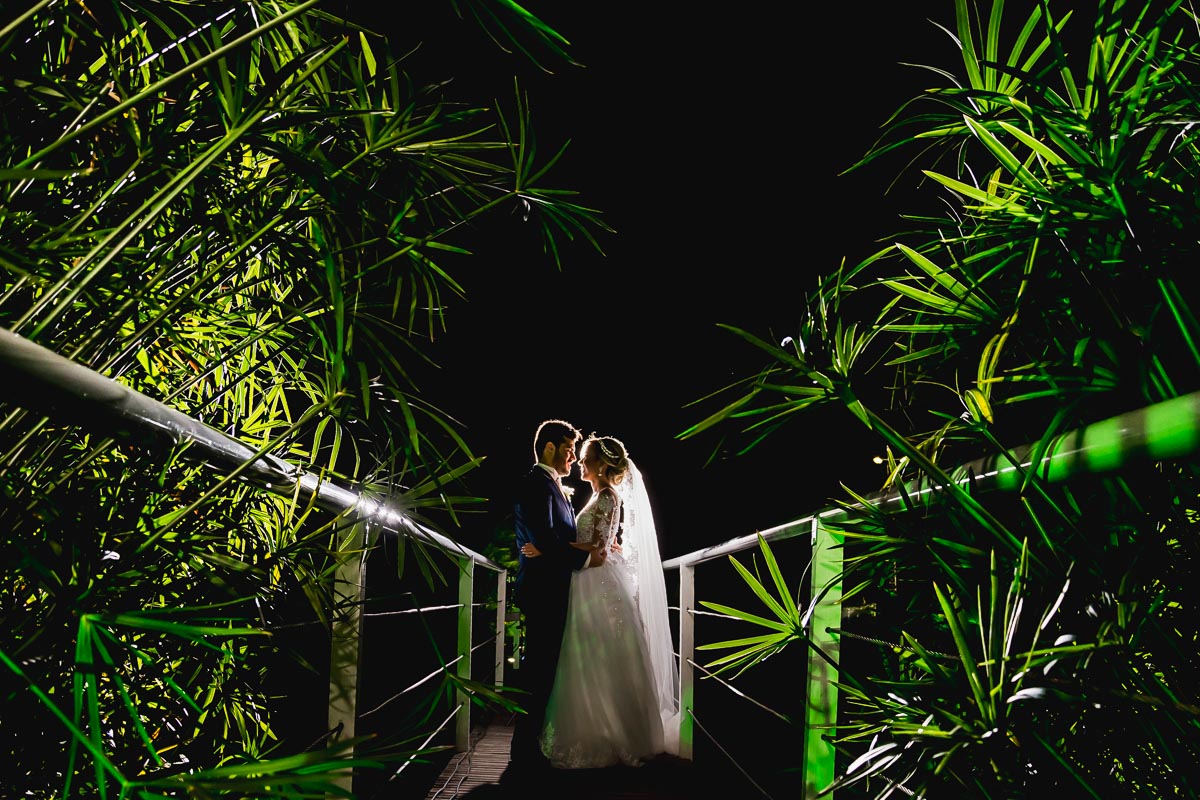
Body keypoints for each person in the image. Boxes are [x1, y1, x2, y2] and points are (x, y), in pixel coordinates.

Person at [521, 434, 680, 769]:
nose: (579, 462)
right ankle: (593, 727)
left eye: (585, 457)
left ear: (601, 464)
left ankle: (608, 734)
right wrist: (553, 546)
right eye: (575, 455)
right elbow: (592, 542)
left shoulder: (607, 496)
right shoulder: (597, 495)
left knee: (597, 655)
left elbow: (600, 547)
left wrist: (545, 548)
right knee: (586, 657)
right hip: (586, 580)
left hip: (596, 581)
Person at [507, 419, 604, 776]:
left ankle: (531, 744)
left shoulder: (551, 485)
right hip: (543, 591)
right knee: (538, 670)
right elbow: (545, 537)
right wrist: (585, 557)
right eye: (567, 450)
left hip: (553, 586)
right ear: (549, 448)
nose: (572, 458)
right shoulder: (536, 483)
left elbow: (550, 542)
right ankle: (524, 751)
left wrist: (555, 548)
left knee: (546, 669)